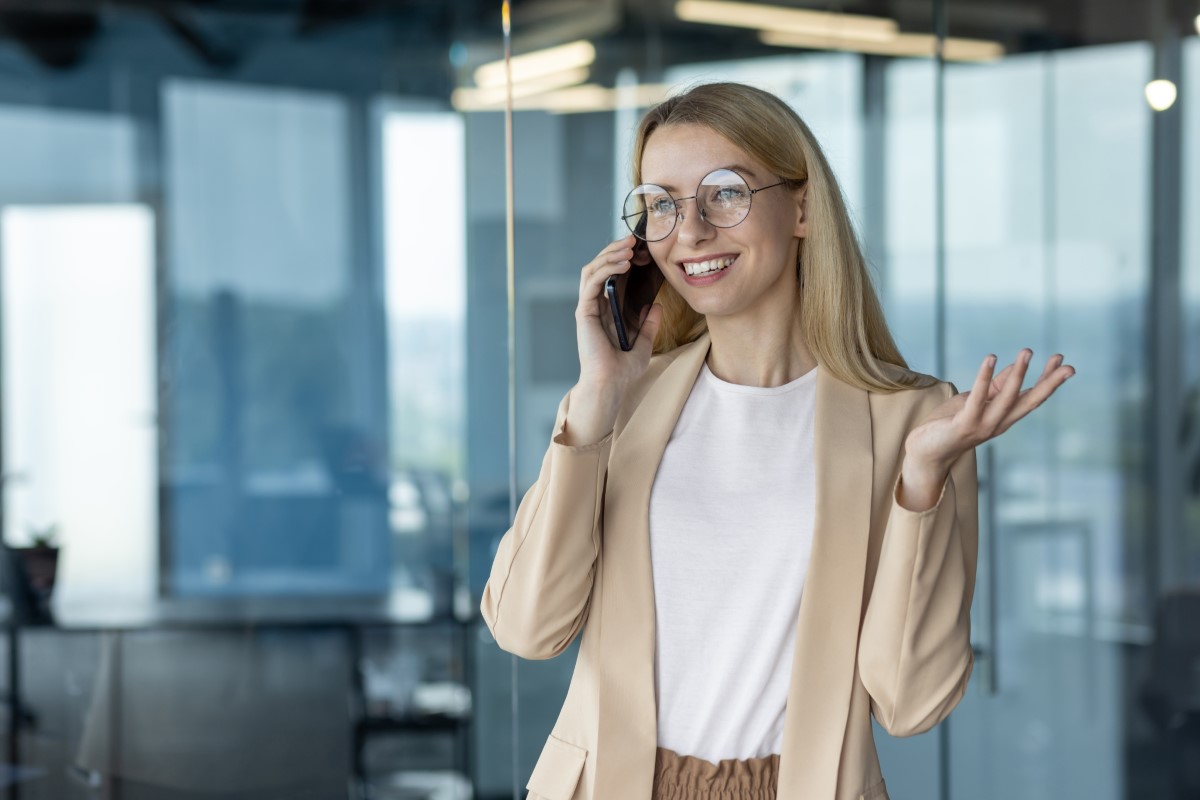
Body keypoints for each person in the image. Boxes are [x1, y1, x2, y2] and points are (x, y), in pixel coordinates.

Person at [480, 82, 1074, 800]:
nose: (691, 231)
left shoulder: (914, 423)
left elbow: (912, 703)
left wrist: (922, 480)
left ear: (800, 208)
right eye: (662, 203)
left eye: (724, 192)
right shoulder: (623, 401)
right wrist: (597, 397)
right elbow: (526, 627)